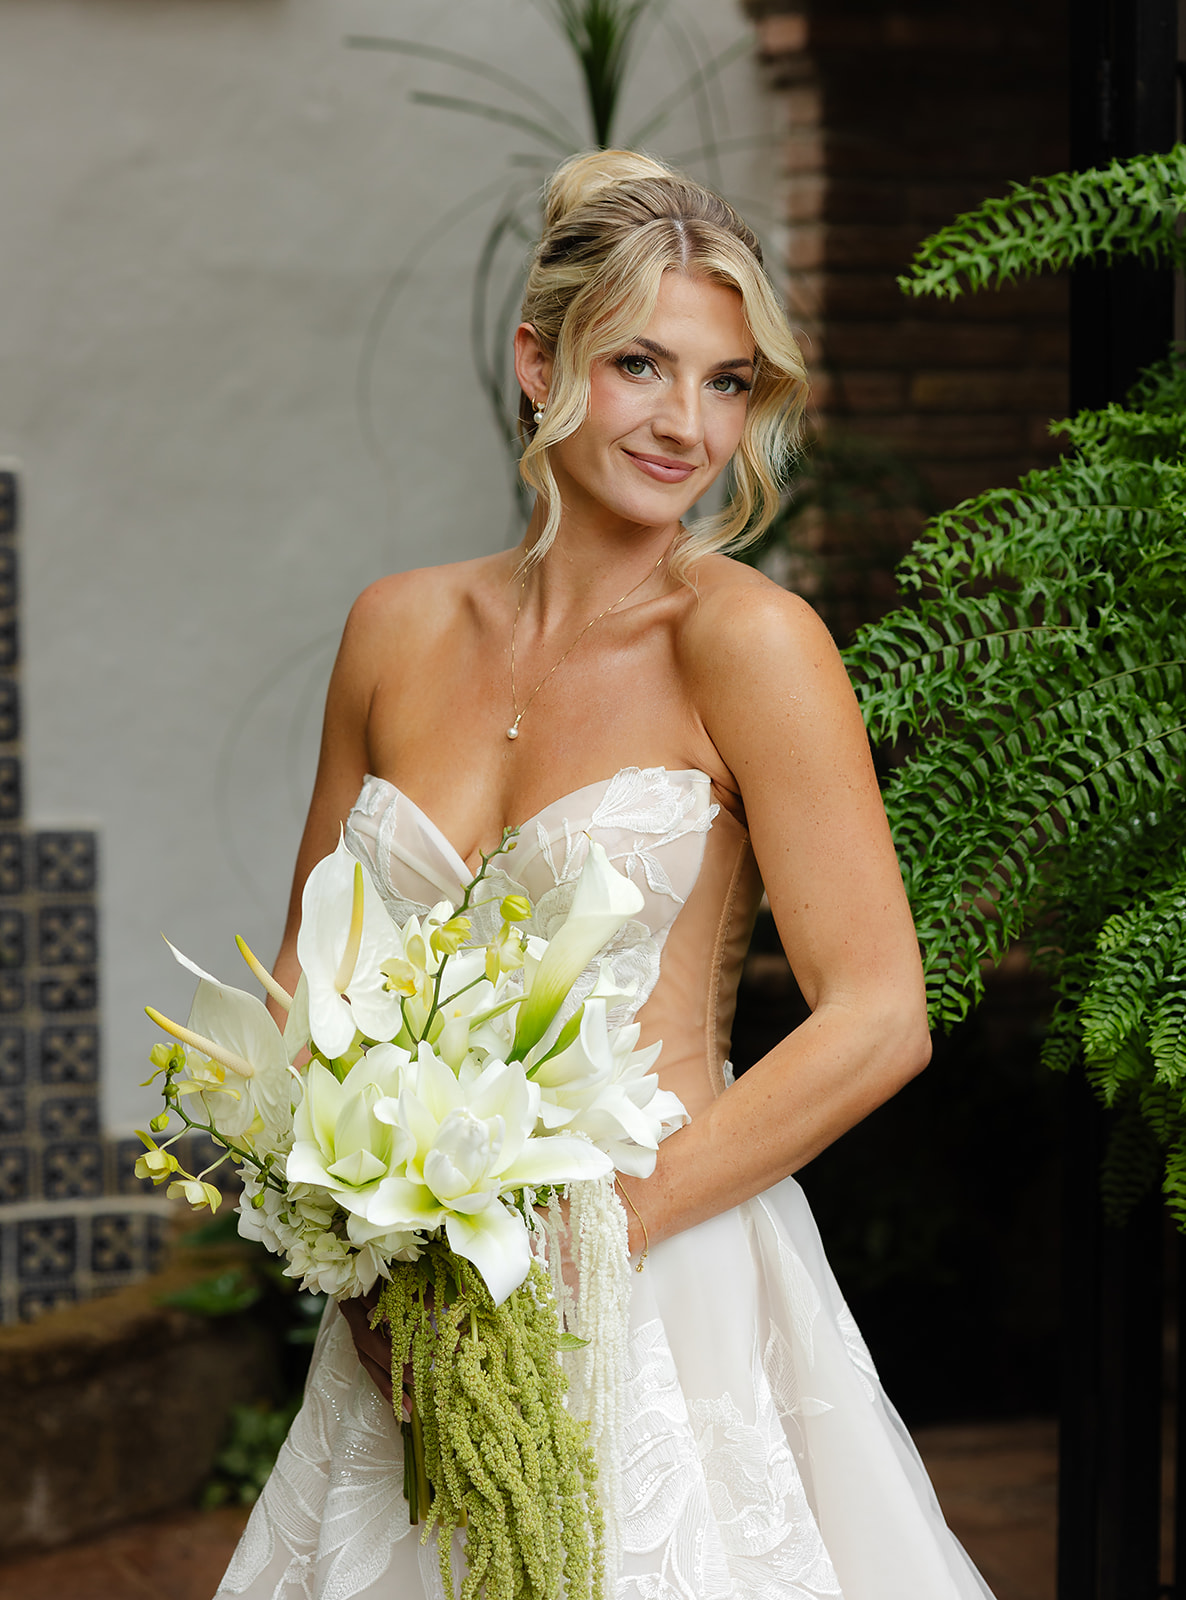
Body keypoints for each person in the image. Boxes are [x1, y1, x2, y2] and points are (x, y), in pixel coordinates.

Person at [214, 150, 994, 1600]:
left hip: (661, 1272)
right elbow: (298, 997)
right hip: (408, 1304)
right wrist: (356, 1245)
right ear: (537, 359)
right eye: (640, 363)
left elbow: (879, 1014)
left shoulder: (750, 643)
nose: (686, 424)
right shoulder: (394, 629)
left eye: (727, 382)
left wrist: (595, 1238)